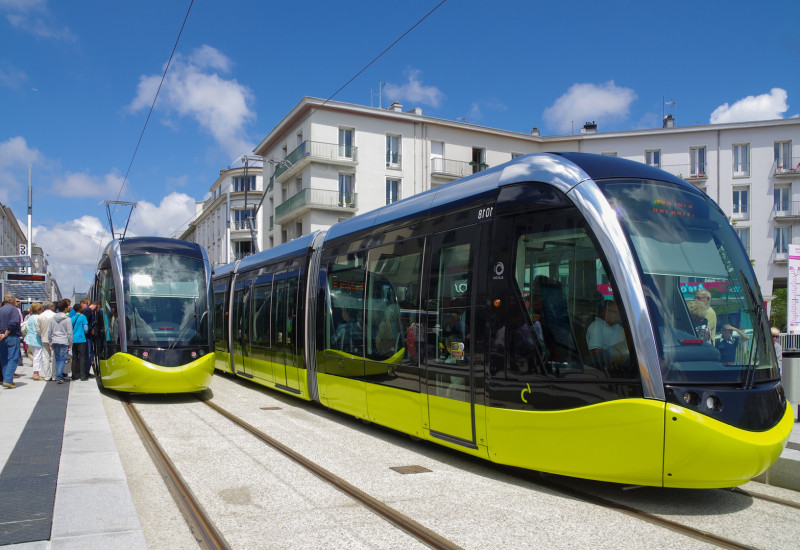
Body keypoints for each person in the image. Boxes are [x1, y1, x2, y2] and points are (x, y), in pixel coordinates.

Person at [586, 300, 629, 370]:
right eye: (616, 313)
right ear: (605, 312)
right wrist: (614, 351)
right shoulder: (597, 326)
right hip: (605, 369)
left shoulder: (618, 327)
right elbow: (595, 353)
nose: (619, 316)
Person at [0, 293, 23, 388]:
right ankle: (8, 380)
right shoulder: (14, 309)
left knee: (4, 359)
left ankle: (6, 378)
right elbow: (13, 323)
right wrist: (6, 333)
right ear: (13, 300)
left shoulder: (1, 309)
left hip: (1, 337)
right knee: (13, 358)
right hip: (11, 336)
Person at [48, 300, 73, 384]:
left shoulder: (52, 318)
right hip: (64, 341)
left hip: (55, 340)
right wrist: (70, 343)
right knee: (62, 359)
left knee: (57, 358)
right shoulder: (68, 319)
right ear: (65, 308)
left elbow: (49, 331)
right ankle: (59, 376)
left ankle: (58, 376)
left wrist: (50, 342)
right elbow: (69, 333)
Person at [37, 301, 56, 381]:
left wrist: (42, 334)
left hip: (44, 338)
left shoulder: (40, 316)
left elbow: (38, 329)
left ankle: (47, 376)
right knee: (55, 357)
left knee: (45, 357)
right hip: (54, 339)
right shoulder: (55, 315)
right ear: (51, 306)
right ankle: (55, 375)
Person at [24, 303, 44, 380]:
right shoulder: (39, 318)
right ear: (38, 310)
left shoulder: (30, 318)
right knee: (37, 356)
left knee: (36, 356)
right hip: (37, 339)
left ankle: (36, 373)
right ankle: (36, 374)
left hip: (29, 338)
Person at [71, 303, 89, 380]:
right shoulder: (83, 317)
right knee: (82, 357)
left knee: (74, 357)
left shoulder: (72, 318)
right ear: (80, 309)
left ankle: (74, 375)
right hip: (81, 339)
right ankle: (82, 375)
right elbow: (86, 329)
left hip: (73, 339)